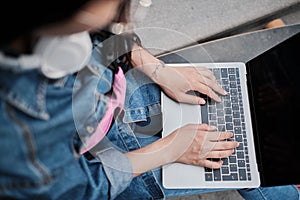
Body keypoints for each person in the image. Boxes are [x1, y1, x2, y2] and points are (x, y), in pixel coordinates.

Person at [0, 0, 299, 199]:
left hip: (111, 107)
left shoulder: (55, 31)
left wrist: (158, 69)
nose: (126, 9)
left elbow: (106, 37)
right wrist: (171, 149)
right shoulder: (16, 136)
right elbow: (83, 189)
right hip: (108, 165)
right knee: (243, 163)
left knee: (240, 110)